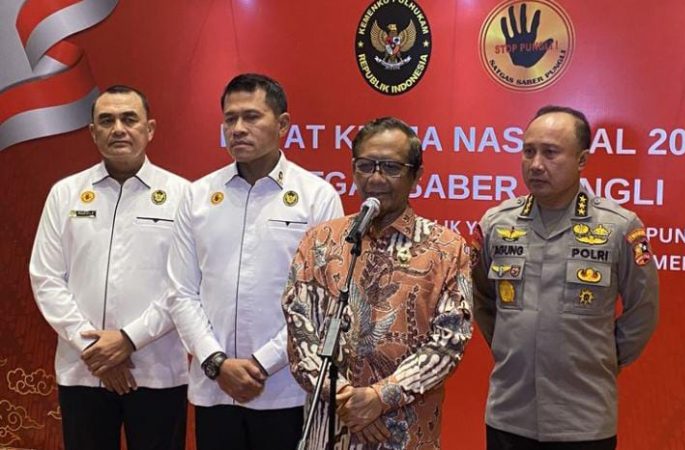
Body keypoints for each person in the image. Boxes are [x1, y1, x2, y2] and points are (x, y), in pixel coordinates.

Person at [165, 73, 344, 450]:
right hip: (214, 387)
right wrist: (216, 363)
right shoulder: (198, 196)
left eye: (251, 117)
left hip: (285, 387)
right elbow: (181, 291)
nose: (238, 129)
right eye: (230, 119)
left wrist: (261, 364)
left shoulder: (317, 198)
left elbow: (322, 301)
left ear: (283, 125)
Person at [472, 105, 659, 450]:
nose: (536, 164)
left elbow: (642, 311)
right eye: (528, 151)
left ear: (582, 160)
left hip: (584, 418)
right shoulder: (497, 224)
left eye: (551, 153)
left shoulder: (619, 227)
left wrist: (600, 359)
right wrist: (513, 347)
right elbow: (482, 298)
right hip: (509, 413)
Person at [283, 116, 473, 449]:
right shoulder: (321, 241)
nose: (376, 178)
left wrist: (379, 398)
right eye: (366, 166)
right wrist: (347, 401)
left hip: (407, 433)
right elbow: (299, 327)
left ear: (416, 175)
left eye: (391, 167)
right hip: (330, 429)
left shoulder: (447, 249)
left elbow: (449, 342)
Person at [29, 85, 189, 450]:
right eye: (107, 120)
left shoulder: (183, 196)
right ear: (92, 132)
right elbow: (46, 277)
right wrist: (96, 350)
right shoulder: (65, 193)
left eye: (129, 119)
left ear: (149, 129)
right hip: (83, 370)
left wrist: (128, 340)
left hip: (157, 370)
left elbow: (184, 285)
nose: (118, 128)